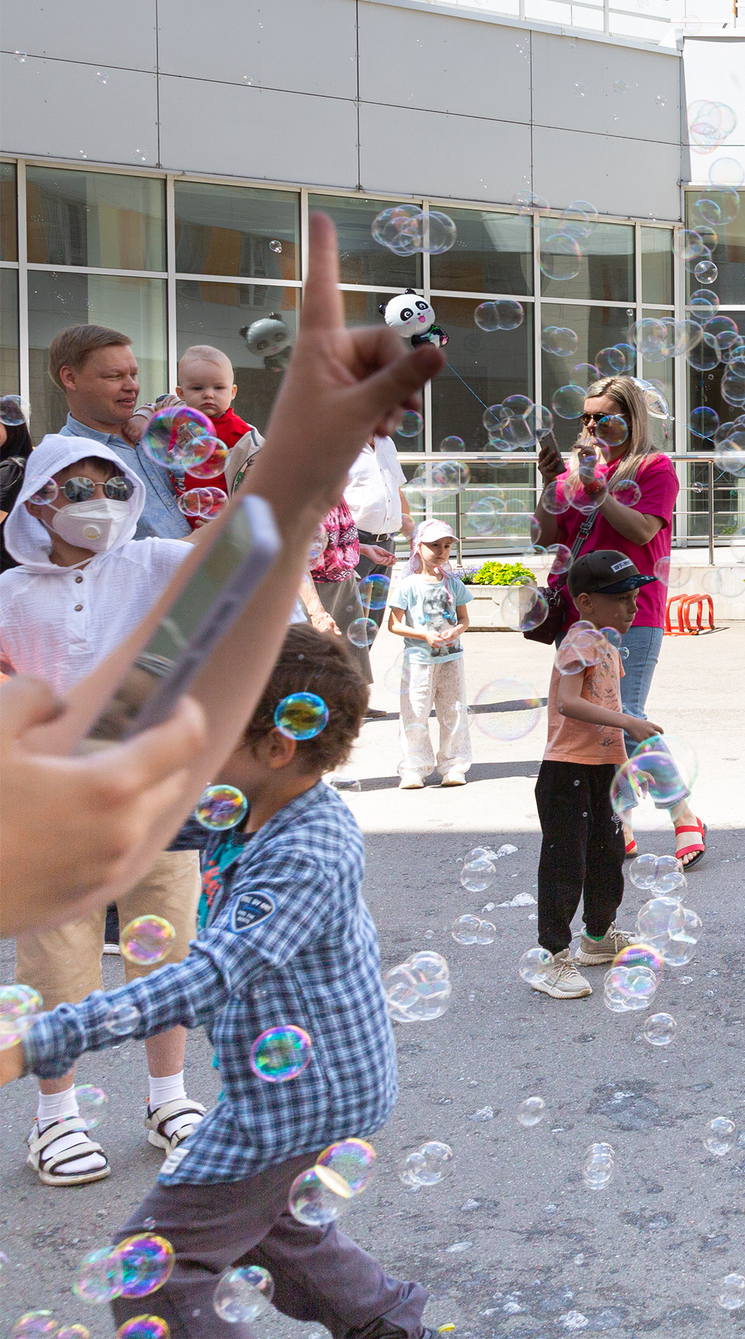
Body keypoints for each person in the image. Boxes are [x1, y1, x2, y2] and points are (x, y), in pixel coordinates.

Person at [0, 211, 440, 941]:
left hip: (151, 687)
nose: (103, 499)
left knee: (163, 915)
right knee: (72, 942)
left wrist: (288, 476)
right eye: (114, 376)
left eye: (134, 374)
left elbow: (221, 558)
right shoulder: (23, 580)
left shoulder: (148, 473)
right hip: (89, 750)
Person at [0, 624, 426, 1336]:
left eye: (207, 732)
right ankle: (386, 1323)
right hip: (309, 1081)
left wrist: (42, 1038)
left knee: (155, 1269)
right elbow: (146, 826)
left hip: (303, 1097)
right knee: (279, 1229)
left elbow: (204, 980)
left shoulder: (305, 851)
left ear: (277, 746)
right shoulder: (251, 803)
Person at [0, 437, 218, 1184]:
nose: (101, 502)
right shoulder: (10, 592)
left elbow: (235, 557)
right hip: (56, 802)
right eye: (77, 488)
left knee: (168, 948)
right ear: (37, 503)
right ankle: (56, 1115)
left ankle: (169, 1098)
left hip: (158, 788)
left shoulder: (152, 563)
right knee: (56, 961)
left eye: (114, 487)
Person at [535, 375, 692, 864]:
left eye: (601, 416)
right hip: (577, 612)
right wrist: (550, 483)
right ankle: (617, 822)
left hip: (630, 613)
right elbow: (545, 536)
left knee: (626, 717)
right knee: (590, 722)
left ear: (631, 418)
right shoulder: (575, 473)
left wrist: (600, 492)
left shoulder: (654, 467)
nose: (590, 425)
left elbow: (643, 531)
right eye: (585, 417)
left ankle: (683, 815)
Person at [525, 552, 654, 1001]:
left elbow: (608, 707)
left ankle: (597, 936)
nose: (632, 606)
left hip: (603, 768)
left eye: (634, 597)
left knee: (607, 855)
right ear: (585, 602)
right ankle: (552, 957)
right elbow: (568, 702)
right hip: (567, 771)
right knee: (566, 864)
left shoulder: (606, 644)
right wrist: (630, 723)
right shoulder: (578, 641)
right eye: (621, 598)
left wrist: (626, 763)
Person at [49, 325, 190, 540]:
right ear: (70, 378)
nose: (132, 386)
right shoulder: (65, 461)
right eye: (115, 376)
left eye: (134, 374)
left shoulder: (160, 429)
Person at [386, 517, 470, 789]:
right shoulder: (408, 584)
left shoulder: (453, 583)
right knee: (415, 713)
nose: (441, 551)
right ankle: (414, 768)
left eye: (446, 546)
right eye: (434, 545)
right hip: (418, 662)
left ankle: (454, 766)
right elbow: (394, 624)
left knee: (454, 712)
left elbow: (464, 619)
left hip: (451, 659)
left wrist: (456, 631)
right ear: (418, 547)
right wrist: (424, 635)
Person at [171, 345, 257, 527]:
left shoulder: (239, 432)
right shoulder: (177, 420)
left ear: (232, 392)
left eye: (219, 387)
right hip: (179, 516)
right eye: (197, 388)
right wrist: (140, 418)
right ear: (181, 393)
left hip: (215, 520)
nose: (209, 394)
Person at [341, 429, 411, 639]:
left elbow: (396, 491)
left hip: (387, 542)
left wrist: (413, 535)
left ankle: (364, 661)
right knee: (349, 617)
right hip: (354, 542)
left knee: (374, 619)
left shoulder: (387, 443)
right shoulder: (341, 443)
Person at [305, 469, 362, 638]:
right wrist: (317, 612)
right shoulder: (303, 496)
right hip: (314, 589)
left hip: (344, 584)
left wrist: (362, 548)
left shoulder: (333, 493)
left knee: (348, 652)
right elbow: (292, 556)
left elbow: (323, 540)